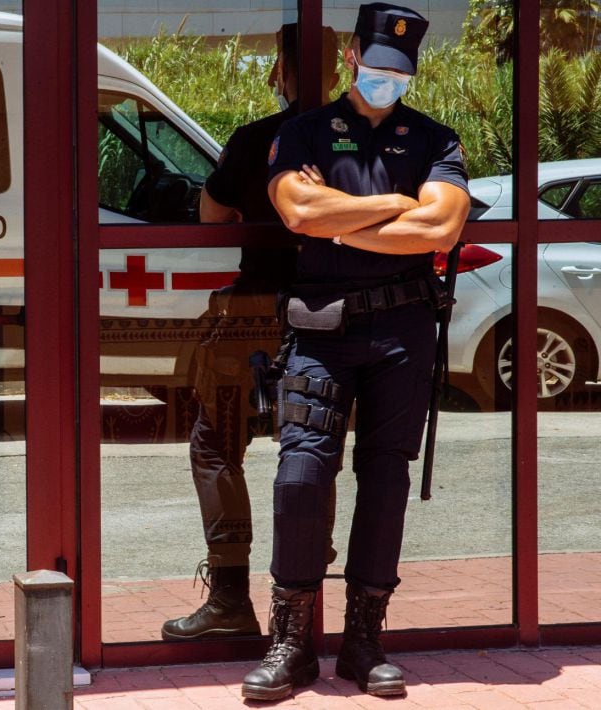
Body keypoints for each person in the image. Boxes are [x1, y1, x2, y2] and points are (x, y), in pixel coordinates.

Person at [240, 3, 470, 700]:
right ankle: (291, 645)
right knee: (301, 477)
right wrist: (396, 206)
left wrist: (342, 215)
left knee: (386, 482)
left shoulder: (436, 139)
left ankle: (364, 644)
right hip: (321, 330)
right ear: (352, 60)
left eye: (400, 71)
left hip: (403, 332)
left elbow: (443, 227)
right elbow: (299, 212)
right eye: (376, 67)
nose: (386, 79)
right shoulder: (302, 132)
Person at [161, 24, 340, 642]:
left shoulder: (258, 139)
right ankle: (304, 610)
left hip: (257, 318)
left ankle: (231, 599)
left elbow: (212, 214)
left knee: (216, 448)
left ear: (282, 73)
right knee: (314, 456)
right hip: (333, 319)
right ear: (338, 71)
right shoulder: (359, 142)